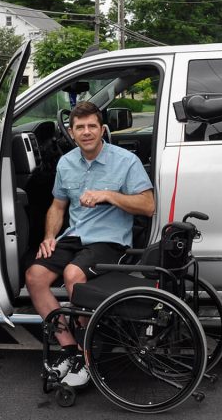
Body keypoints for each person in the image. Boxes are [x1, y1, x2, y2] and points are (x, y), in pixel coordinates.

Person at [25, 100, 154, 386]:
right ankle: (70, 349)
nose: (86, 132)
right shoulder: (66, 163)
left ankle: (87, 357)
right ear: (71, 133)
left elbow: (148, 205)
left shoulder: (125, 161)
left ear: (102, 129)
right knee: (34, 276)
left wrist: (109, 195)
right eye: (80, 127)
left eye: (92, 126)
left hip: (109, 241)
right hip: (73, 237)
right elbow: (58, 206)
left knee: (74, 275)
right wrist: (49, 237)